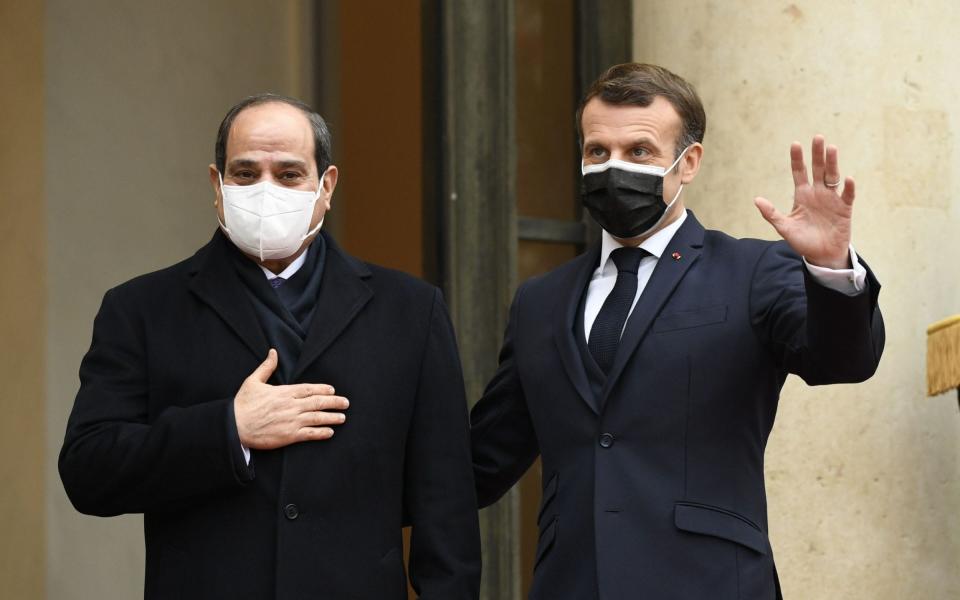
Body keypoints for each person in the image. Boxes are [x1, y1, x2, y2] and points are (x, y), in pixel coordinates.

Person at [470, 63, 885, 599]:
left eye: (638, 152)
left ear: (688, 163)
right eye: (597, 152)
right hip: (572, 583)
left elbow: (845, 362)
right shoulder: (540, 301)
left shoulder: (752, 271)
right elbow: (484, 460)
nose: (612, 167)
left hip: (709, 582)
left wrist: (830, 268)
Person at [59, 93, 481, 599]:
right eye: (244, 173)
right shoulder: (143, 309)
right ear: (217, 186)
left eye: (288, 174)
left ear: (326, 187)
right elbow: (89, 471)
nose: (265, 190)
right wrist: (229, 430)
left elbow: (446, 508)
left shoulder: (410, 311)